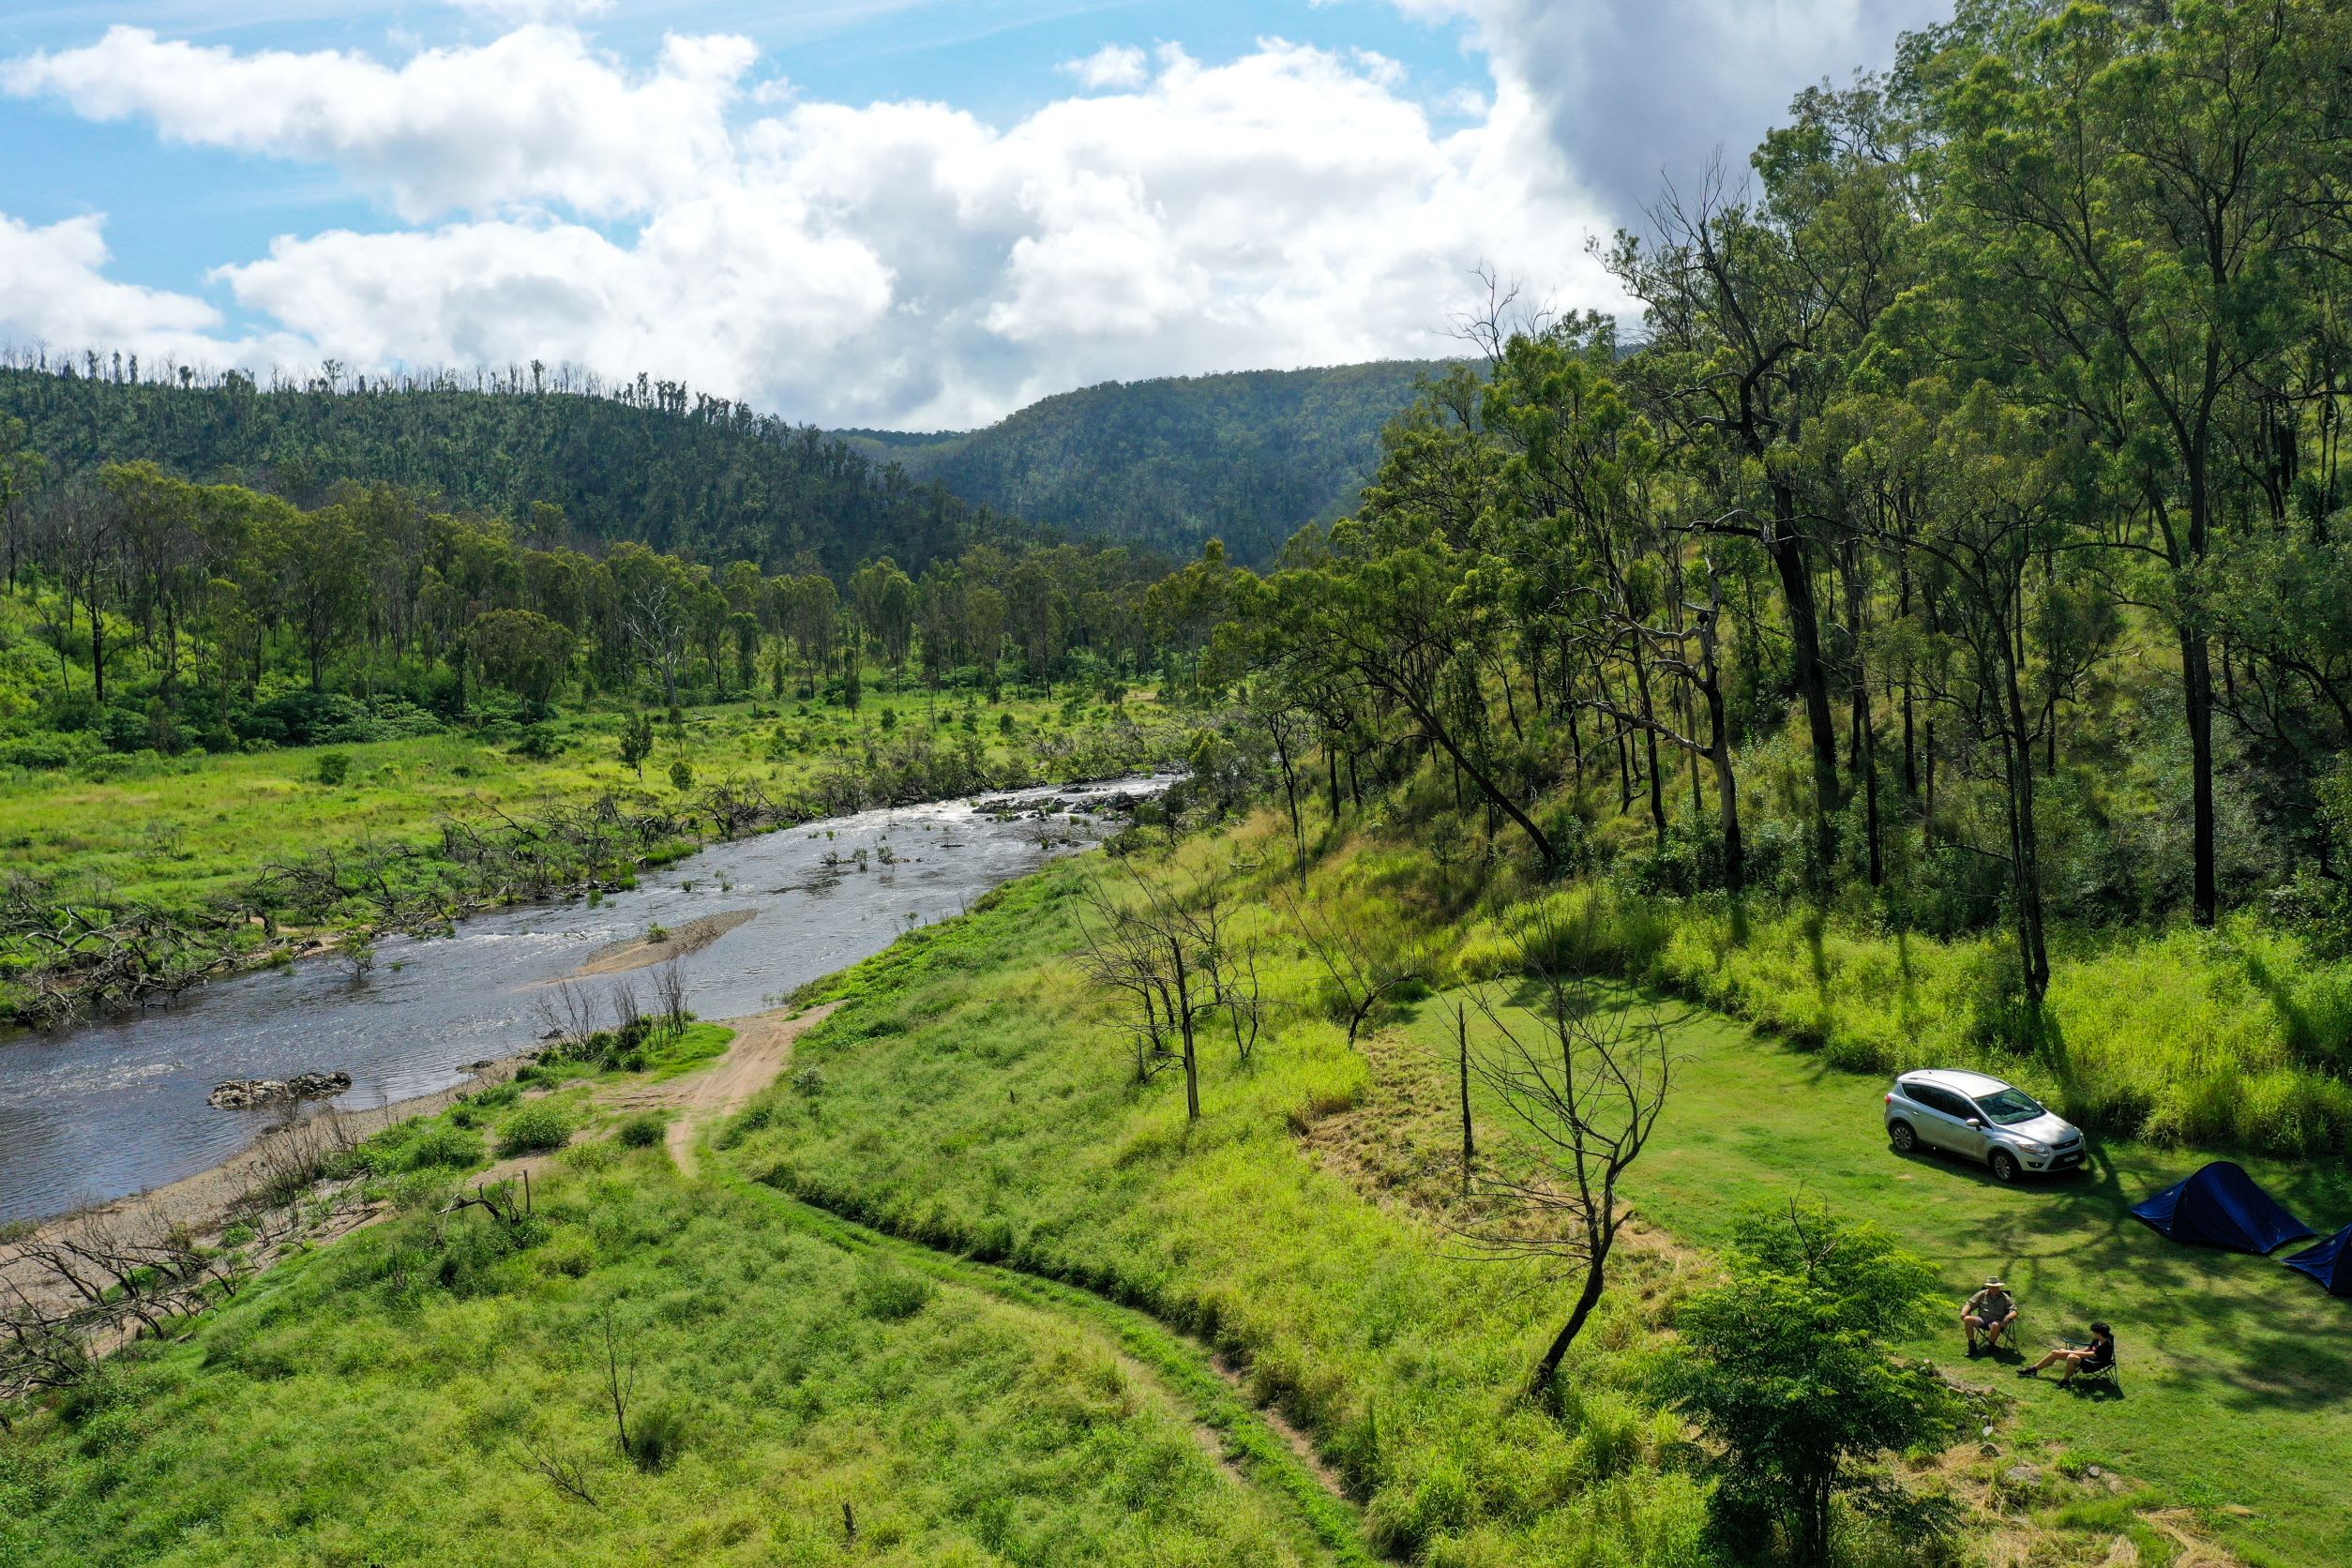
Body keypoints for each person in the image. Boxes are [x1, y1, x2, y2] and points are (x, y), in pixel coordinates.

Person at [2022, 1321, 2115, 1384]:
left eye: (2094, 1332)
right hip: (2087, 1359)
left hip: (2095, 1364)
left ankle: (2065, 1381)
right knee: (2055, 1352)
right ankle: (2033, 1370)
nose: (2092, 1333)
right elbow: (2086, 1350)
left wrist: (2068, 1351)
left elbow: (2090, 1354)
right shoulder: (2097, 1339)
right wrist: (2065, 1352)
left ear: (2099, 1333)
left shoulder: (2106, 1344)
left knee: (2071, 1357)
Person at [1962, 1278, 2017, 1355]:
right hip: (1981, 1319)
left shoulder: (2005, 1297)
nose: (1994, 1289)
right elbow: (1969, 1303)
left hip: (1996, 1322)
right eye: (1992, 1287)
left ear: (1999, 1287)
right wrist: (1963, 1313)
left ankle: (1990, 1346)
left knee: (1995, 1325)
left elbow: (2014, 1311)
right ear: (1988, 1287)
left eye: (1996, 1287)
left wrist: (2007, 1318)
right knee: (1967, 1319)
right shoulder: (1982, 1294)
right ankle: (1972, 1347)